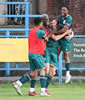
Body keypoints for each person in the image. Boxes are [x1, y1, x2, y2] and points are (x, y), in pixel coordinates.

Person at [12, 17, 49, 96]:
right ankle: (42, 91)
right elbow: (46, 39)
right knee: (43, 69)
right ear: (40, 24)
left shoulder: (31, 31)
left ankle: (31, 91)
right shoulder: (41, 32)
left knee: (34, 73)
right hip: (37, 54)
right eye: (42, 23)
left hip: (31, 54)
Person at [45, 16, 72, 91]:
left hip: (54, 52)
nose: (52, 24)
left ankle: (44, 89)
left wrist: (71, 34)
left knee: (52, 73)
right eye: (51, 23)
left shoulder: (59, 27)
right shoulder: (48, 28)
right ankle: (21, 82)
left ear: (56, 22)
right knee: (44, 70)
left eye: (54, 23)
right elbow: (56, 38)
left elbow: (69, 30)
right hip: (47, 50)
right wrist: (65, 33)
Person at [56, 7, 74, 84]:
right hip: (60, 37)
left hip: (66, 38)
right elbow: (57, 26)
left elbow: (64, 30)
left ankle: (68, 74)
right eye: (61, 10)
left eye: (64, 10)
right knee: (56, 53)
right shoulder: (60, 17)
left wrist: (55, 33)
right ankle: (53, 70)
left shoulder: (69, 18)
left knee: (66, 54)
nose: (62, 11)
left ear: (68, 11)